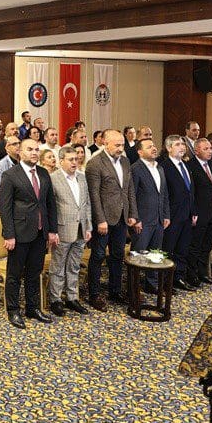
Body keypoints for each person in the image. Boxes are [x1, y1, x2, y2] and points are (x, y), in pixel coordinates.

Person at [0, 139, 55, 328]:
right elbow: (5, 208)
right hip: (19, 232)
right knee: (14, 274)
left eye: (37, 149)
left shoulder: (43, 173)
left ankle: (33, 307)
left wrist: (52, 230)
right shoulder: (10, 175)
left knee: (34, 272)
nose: (34, 152)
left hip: (40, 232)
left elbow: (50, 204)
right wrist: (8, 234)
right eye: (29, 149)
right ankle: (13, 310)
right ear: (20, 152)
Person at [84, 129, 137, 311]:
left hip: (122, 217)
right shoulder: (95, 163)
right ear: (105, 144)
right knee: (98, 256)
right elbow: (94, 195)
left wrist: (132, 213)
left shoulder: (125, 161)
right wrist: (100, 220)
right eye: (117, 145)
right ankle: (94, 294)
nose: (121, 148)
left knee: (117, 255)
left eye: (122, 145)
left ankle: (115, 291)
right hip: (104, 220)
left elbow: (129, 189)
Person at [46, 146, 92, 317]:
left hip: (81, 229)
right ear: (61, 161)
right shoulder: (53, 179)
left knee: (74, 266)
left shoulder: (82, 177)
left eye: (76, 159)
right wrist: (52, 231)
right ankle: (56, 299)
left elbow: (86, 204)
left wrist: (89, 227)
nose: (75, 162)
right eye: (71, 159)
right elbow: (50, 207)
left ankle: (72, 298)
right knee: (58, 266)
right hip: (62, 229)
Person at [129, 139, 169, 293]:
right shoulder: (135, 168)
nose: (154, 148)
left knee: (155, 254)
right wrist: (136, 219)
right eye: (149, 147)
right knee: (138, 257)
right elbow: (131, 195)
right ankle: (133, 289)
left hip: (158, 220)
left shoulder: (159, 168)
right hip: (142, 221)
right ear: (140, 152)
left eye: (154, 146)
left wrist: (166, 215)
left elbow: (164, 194)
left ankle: (152, 285)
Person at [157, 136, 196, 291]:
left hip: (187, 215)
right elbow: (163, 194)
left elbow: (191, 191)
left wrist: (193, 211)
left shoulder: (185, 165)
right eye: (178, 144)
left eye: (183, 144)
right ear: (169, 148)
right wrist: (165, 215)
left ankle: (178, 278)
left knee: (182, 249)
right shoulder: (163, 166)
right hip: (171, 216)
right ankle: (164, 281)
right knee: (167, 250)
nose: (182, 147)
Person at [186, 138, 212, 286]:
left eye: (210, 148)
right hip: (199, 213)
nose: (210, 151)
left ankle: (203, 273)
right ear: (196, 151)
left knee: (207, 245)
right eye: (205, 149)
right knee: (195, 245)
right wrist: (193, 212)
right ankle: (191, 275)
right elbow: (191, 193)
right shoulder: (190, 166)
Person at [0, 135, 22, 204]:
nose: (18, 146)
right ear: (7, 148)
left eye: (19, 143)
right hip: (10, 203)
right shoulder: (0, 166)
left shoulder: (25, 162)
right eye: (14, 144)